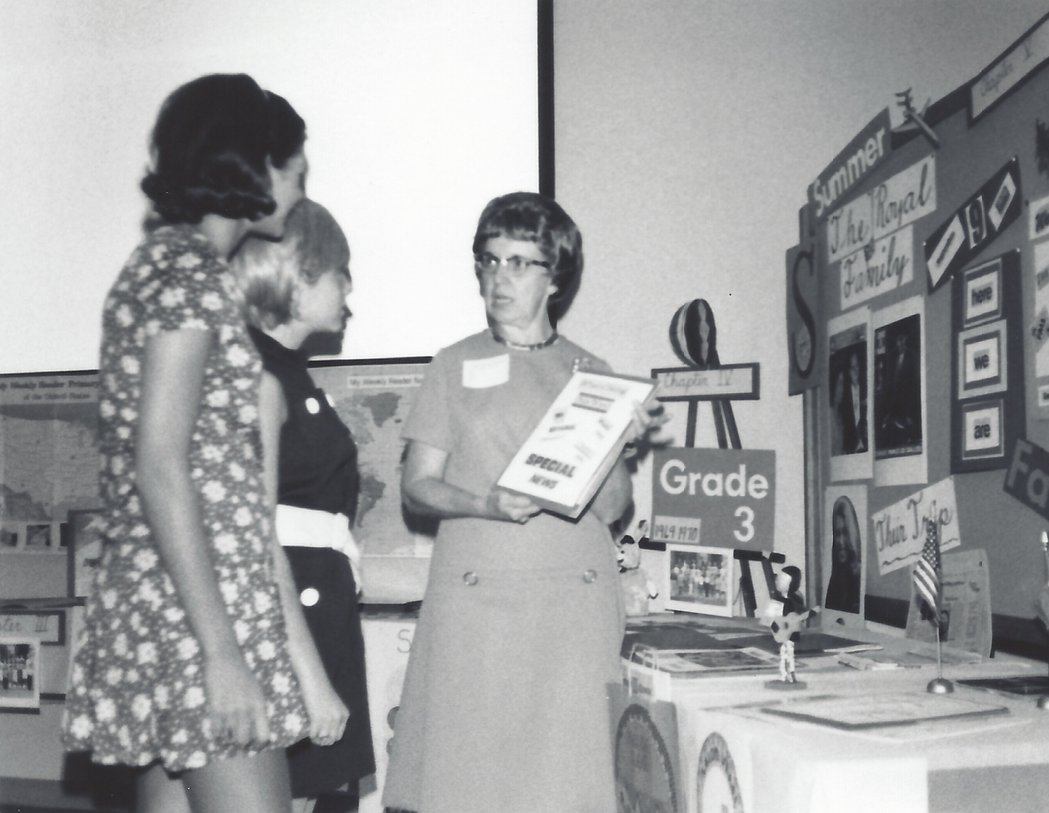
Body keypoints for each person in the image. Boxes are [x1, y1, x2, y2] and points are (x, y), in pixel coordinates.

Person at [63, 74, 347, 813]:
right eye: (293, 168)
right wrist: (222, 654)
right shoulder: (190, 276)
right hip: (201, 615)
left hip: (163, 609)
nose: (298, 184)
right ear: (252, 166)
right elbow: (161, 464)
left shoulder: (157, 267)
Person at [381, 191, 662, 813]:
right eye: (488, 260)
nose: (496, 277)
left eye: (517, 262)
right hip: (480, 598)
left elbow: (614, 507)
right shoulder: (453, 365)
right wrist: (486, 503)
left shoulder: (593, 371)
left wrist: (617, 444)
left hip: (573, 602)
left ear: (554, 275)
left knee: (570, 778)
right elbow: (418, 487)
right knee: (473, 779)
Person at [230, 199, 375, 813]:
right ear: (302, 274)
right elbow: (256, 538)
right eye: (341, 272)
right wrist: (309, 679)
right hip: (289, 633)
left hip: (322, 613)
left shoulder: (288, 371)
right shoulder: (255, 372)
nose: (350, 292)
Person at [825, 497, 862, 614]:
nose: (840, 541)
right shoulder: (835, 577)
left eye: (845, 533)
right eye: (837, 534)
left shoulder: (859, 577)